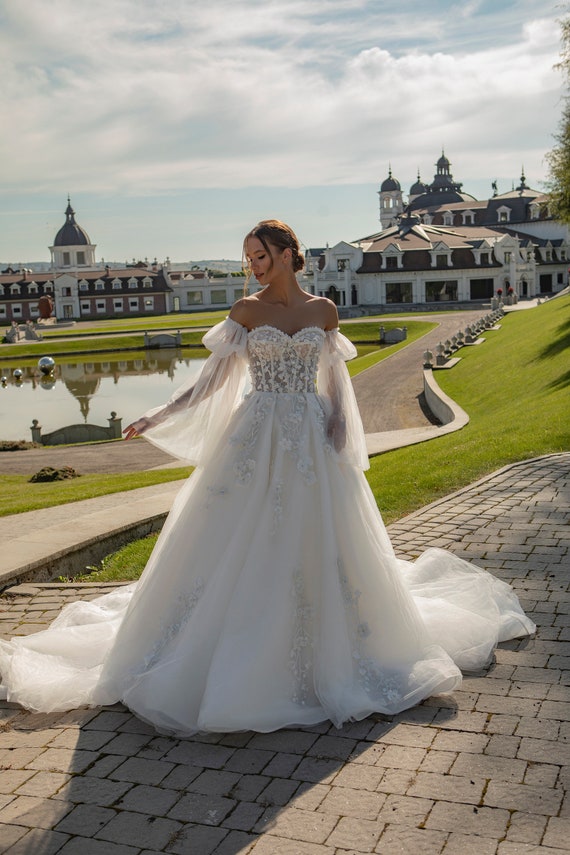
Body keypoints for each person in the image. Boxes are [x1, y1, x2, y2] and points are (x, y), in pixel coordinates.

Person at [0, 220, 534, 734]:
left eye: (261, 256)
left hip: (311, 440)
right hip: (255, 436)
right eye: (248, 257)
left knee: (321, 538)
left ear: (287, 255)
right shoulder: (245, 311)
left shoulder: (324, 311)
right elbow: (210, 382)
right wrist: (156, 415)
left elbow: (335, 380)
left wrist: (342, 427)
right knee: (236, 536)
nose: (253, 266)